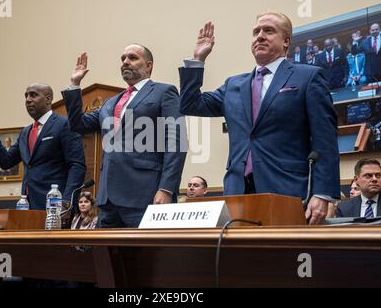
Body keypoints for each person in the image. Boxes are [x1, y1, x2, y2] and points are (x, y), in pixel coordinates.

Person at [178, 13, 340, 225]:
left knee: (283, 256)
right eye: (256, 32)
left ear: (286, 41)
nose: (260, 36)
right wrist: (198, 59)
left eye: (269, 31)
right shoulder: (233, 85)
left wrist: (322, 193)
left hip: (287, 191)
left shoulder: (308, 77)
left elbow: (325, 139)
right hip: (237, 192)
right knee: (243, 258)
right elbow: (190, 104)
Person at [62, 46, 187, 228]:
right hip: (107, 199)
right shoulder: (110, 103)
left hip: (145, 194)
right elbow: (77, 124)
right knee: (106, 255)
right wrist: (74, 85)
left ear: (148, 66)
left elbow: (176, 142)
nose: (125, 62)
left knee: (146, 255)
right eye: (122, 58)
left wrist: (166, 189)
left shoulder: (163, 92)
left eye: (132, 57)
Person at [0, 83, 86, 209]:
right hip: (27, 205)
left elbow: (76, 166)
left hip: (55, 205)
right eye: (26, 96)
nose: (28, 100)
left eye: (33, 95)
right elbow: (6, 161)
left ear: (48, 99)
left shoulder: (64, 124)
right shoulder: (25, 132)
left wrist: (67, 202)